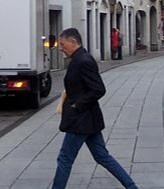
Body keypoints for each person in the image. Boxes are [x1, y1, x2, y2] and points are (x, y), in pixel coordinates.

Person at [53, 28, 136, 189]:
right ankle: (131, 186)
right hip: (88, 119)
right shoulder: (78, 59)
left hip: (80, 120)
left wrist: (76, 105)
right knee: (102, 157)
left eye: (63, 44)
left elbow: (98, 89)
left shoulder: (83, 61)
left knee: (65, 159)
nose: (61, 48)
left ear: (73, 42)